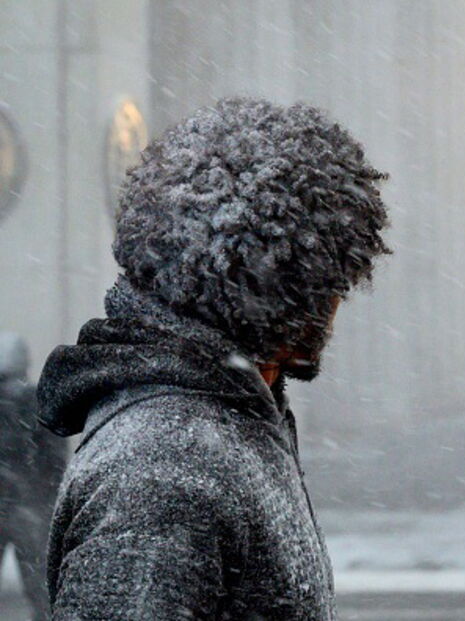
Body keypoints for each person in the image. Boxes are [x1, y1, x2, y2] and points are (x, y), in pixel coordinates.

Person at [36, 98, 390, 619]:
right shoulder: (164, 472)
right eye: (330, 279)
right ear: (278, 292)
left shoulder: (225, 422)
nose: (340, 299)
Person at [0, 332, 67, 620]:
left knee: (39, 584)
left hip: (16, 501)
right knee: (40, 587)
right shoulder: (39, 400)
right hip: (30, 505)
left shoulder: (31, 402)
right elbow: (55, 456)